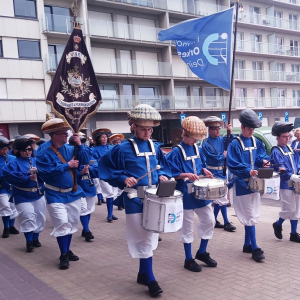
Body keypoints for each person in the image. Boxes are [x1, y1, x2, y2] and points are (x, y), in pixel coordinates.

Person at [99, 104, 171, 297]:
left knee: (149, 236)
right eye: (143, 129)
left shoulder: (155, 147)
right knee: (144, 238)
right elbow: (104, 168)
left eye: (150, 129)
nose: (147, 133)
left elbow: (162, 166)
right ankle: (152, 280)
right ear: (134, 127)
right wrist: (123, 178)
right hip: (134, 199)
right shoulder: (121, 148)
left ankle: (142, 273)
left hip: (155, 197)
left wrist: (163, 175)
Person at [36, 118, 91, 270]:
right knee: (61, 223)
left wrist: (79, 145)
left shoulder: (69, 148)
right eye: (64, 133)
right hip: (54, 194)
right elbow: (45, 173)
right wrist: (67, 165)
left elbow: (85, 160)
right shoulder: (43, 151)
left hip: (73, 192)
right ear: (54, 135)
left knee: (72, 223)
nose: (67, 135)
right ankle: (63, 254)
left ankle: (66, 249)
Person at [167, 116, 217, 273]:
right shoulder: (176, 151)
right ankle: (188, 259)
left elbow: (200, 165)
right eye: (193, 138)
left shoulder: (197, 148)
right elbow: (171, 173)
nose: (195, 141)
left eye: (197, 138)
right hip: (185, 193)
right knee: (187, 227)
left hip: (200, 192)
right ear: (185, 134)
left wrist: (204, 170)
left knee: (209, 221)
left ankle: (202, 252)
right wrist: (186, 174)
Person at [227, 109, 270, 262]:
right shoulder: (234, 144)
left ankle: (247, 244)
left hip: (255, 183)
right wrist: (247, 171)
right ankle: (255, 248)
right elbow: (232, 163)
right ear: (242, 127)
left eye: (253, 129)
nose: (252, 131)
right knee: (250, 215)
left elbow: (261, 156)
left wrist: (264, 161)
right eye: (249, 128)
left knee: (252, 214)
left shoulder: (255, 141)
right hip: (241, 184)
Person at [2, 136, 46, 252]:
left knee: (40, 217)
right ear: (18, 151)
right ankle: (29, 241)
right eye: (24, 150)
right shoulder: (14, 163)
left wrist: (39, 173)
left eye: (29, 150)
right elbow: (8, 175)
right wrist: (27, 177)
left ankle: (36, 238)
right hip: (21, 195)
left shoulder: (37, 161)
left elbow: (48, 173)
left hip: (37, 193)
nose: (27, 152)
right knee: (27, 216)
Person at [202, 116, 236, 232]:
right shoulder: (205, 143)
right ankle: (226, 222)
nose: (217, 131)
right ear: (209, 130)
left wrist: (230, 132)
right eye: (215, 129)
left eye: (219, 129)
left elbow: (232, 142)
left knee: (219, 197)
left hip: (223, 171)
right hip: (213, 172)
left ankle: (214, 219)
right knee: (221, 197)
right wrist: (224, 156)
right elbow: (214, 158)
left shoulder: (222, 139)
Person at [270, 122, 300, 243]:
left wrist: (298, 171)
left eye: (288, 136)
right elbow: (281, 170)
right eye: (284, 136)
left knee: (297, 209)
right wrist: (293, 176)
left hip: (295, 182)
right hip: (285, 184)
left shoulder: (290, 148)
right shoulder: (276, 151)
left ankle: (293, 233)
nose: (287, 138)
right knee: (290, 209)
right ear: (277, 137)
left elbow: (297, 163)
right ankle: (278, 223)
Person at [69, 135, 97, 242]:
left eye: (82, 142)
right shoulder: (69, 152)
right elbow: (69, 171)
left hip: (88, 183)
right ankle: (87, 230)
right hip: (78, 184)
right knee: (83, 209)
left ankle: (85, 229)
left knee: (89, 209)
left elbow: (92, 161)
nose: (82, 144)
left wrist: (91, 168)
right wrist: (80, 172)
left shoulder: (87, 149)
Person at [92, 128, 118, 222]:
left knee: (113, 193)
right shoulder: (94, 149)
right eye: (102, 137)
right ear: (98, 138)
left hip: (113, 173)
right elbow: (93, 162)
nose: (104, 138)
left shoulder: (111, 147)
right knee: (109, 193)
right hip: (103, 174)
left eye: (105, 137)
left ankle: (111, 213)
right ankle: (109, 214)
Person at [0, 136, 19, 238]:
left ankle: (11, 226)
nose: (5, 151)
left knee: (13, 207)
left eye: (6, 148)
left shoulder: (13, 158)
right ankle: (6, 227)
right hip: (2, 188)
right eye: (2, 149)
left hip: (13, 187)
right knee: (5, 206)